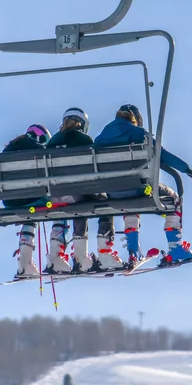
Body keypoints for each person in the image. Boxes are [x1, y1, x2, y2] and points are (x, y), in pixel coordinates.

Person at [93, 104, 192, 266]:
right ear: (136, 119)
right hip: (138, 189)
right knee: (173, 199)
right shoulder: (139, 134)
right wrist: (187, 169)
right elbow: (162, 155)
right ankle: (176, 247)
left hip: (114, 193)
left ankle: (133, 251)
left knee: (130, 205)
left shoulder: (101, 138)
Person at [45, 107, 124, 274]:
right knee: (102, 201)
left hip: (55, 195)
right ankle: (103, 253)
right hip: (77, 193)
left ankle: (74, 257)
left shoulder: (52, 142)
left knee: (76, 206)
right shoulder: (84, 139)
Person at [3, 124, 52, 277]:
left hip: (11, 202)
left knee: (31, 211)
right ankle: (53, 257)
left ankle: (25, 262)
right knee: (58, 202)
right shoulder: (37, 149)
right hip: (33, 200)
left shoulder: (8, 150)